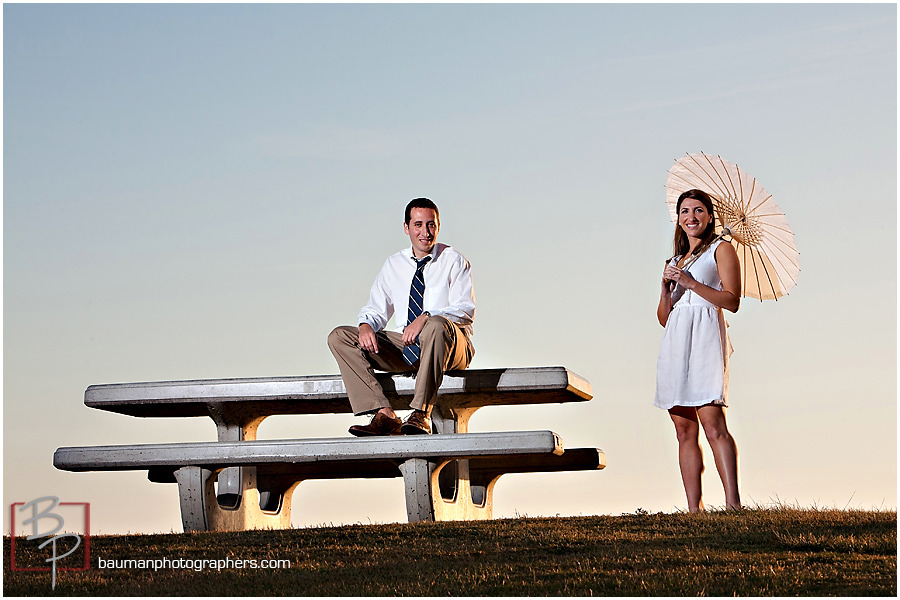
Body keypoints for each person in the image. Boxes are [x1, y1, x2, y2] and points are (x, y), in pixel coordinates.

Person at [328, 198, 475, 436]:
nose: (425, 232)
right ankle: (383, 414)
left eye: (431, 225)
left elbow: (465, 310)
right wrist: (366, 324)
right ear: (406, 228)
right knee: (340, 336)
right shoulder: (394, 264)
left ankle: (420, 414)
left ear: (438, 226)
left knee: (436, 326)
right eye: (418, 225)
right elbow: (376, 309)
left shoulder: (453, 260)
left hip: (451, 347)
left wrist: (426, 316)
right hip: (409, 348)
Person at [655, 188, 742, 512]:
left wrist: (691, 283)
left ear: (709, 216)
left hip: (705, 335)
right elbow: (664, 318)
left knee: (712, 423)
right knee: (682, 428)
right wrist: (667, 291)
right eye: (685, 212)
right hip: (677, 341)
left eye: (698, 211)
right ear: (678, 219)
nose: (691, 217)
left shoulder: (722, 249)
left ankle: (733, 504)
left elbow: (731, 301)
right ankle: (695, 509)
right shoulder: (675, 261)